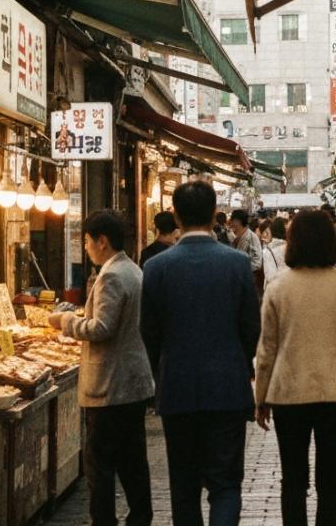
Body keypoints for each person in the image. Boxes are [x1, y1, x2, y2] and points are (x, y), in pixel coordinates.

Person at [141, 181, 261, 526]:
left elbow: (149, 332)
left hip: (177, 388)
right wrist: (242, 365)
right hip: (228, 388)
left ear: (176, 215)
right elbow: (251, 327)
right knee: (225, 484)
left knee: (184, 486)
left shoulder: (157, 267)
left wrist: (162, 369)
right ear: (213, 215)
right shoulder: (236, 264)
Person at [254, 210, 336, 526]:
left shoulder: (278, 288)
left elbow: (267, 348)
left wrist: (260, 397)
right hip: (335, 394)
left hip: (288, 394)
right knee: (330, 479)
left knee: (292, 479)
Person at [49, 210, 156, 526]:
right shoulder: (133, 270)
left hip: (110, 386)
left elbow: (101, 328)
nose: (85, 247)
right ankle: (140, 516)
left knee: (100, 464)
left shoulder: (111, 275)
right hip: (131, 384)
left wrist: (65, 321)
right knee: (132, 461)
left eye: (86, 240)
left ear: (102, 240)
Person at [230, 208, 265, 296]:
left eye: (232, 220)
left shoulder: (251, 237)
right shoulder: (237, 237)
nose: (231, 223)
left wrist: (243, 268)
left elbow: (257, 262)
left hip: (249, 282)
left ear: (237, 221)